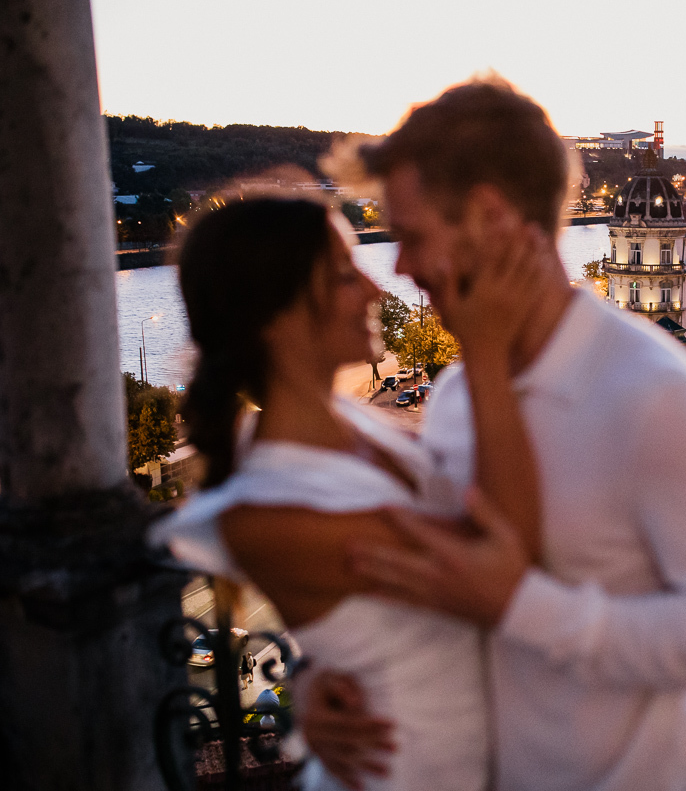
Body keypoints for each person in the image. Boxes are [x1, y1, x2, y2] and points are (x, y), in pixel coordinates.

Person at [305, 77, 686, 791]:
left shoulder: (654, 391)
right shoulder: (462, 393)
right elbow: (449, 591)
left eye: (410, 236)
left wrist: (529, 608)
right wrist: (334, 682)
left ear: (491, 216)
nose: (399, 269)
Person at [150, 193, 549, 790]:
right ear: (276, 316)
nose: (375, 290)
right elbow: (509, 560)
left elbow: (363, 621)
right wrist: (487, 349)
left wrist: (310, 678)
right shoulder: (264, 510)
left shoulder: (352, 420)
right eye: (343, 275)